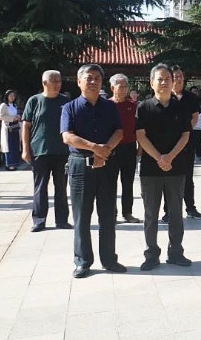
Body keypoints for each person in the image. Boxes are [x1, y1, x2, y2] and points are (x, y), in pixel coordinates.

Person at [61, 64, 125, 279]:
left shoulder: (110, 107)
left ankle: (109, 259)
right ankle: (83, 261)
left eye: (97, 78)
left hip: (107, 164)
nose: (93, 81)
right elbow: (67, 136)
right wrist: (95, 148)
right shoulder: (69, 108)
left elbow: (119, 132)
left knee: (107, 214)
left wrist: (104, 151)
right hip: (80, 165)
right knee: (81, 216)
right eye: (88, 78)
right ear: (79, 81)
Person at [135, 64, 193, 271]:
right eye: (159, 79)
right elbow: (141, 136)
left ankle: (176, 252)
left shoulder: (181, 107)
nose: (164, 82)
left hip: (176, 168)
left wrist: (169, 157)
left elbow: (185, 135)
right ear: (152, 83)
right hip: (150, 169)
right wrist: (159, 158)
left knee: (176, 213)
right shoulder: (144, 107)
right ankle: (151, 255)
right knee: (151, 214)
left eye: (167, 78)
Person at [21, 70, 71, 232]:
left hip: (62, 151)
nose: (57, 84)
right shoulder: (34, 101)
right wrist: (25, 149)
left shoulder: (65, 102)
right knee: (40, 187)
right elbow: (26, 126)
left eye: (59, 81)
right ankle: (39, 220)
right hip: (40, 151)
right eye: (54, 81)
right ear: (44, 83)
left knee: (61, 187)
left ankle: (62, 220)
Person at [168, 66, 201, 220]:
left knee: (187, 177)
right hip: (168, 144)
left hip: (186, 143)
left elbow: (195, 116)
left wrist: (185, 131)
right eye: (175, 76)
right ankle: (168, 211)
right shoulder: (164, 96)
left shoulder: (190, 97)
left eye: (180, 76)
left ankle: (190, 208)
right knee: (168, 178)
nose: (178, 79)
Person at [108, 73, 140, 223]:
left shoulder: (133, 106)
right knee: (110, 183)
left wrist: (140, 149)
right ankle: (111, 214)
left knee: (128, 182)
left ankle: (127, 212)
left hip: (129, 147)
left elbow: (139, 129)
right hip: (111, 149)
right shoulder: (106, 106)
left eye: (126, 86)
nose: (123, 89)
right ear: (112, 87)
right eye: (120, 86)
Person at [0, 90, 21, 170]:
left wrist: (18, 116)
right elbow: (1, 116)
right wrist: (12, 119)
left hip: (15, 127)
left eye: (13, 96)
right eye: (10, 96)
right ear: (7, 96)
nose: (12, 97)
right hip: (8, 128)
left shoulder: (14, 105)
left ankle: (15, 164)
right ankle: (9, 165)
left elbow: (16, 114)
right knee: (9, 146)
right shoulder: (3, 105)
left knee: (15, 145)